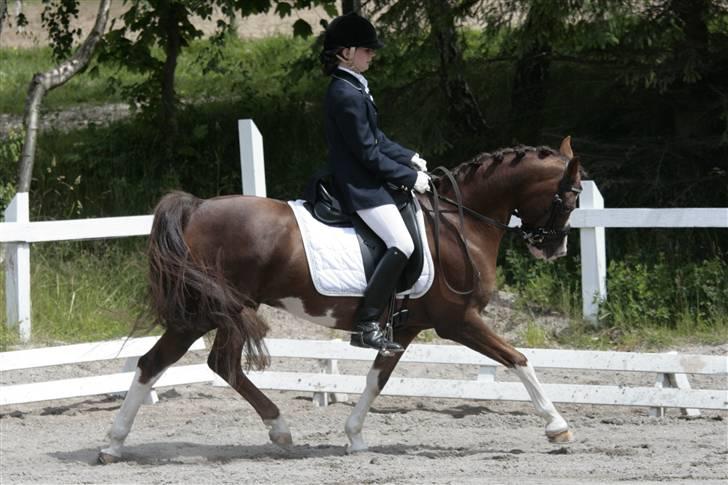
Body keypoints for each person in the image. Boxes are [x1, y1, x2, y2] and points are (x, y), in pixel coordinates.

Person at [319, 12, 431, 353]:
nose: (372, 55)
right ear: (346, 52)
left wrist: (408, 156)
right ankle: (367, 323)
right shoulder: (345, 93)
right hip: (359, 186)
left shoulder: (354, 86)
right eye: (367, 50)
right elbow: (367, 154)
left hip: (368, 179)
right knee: (403, 242)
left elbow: (376, 138)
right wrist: (410, 178)